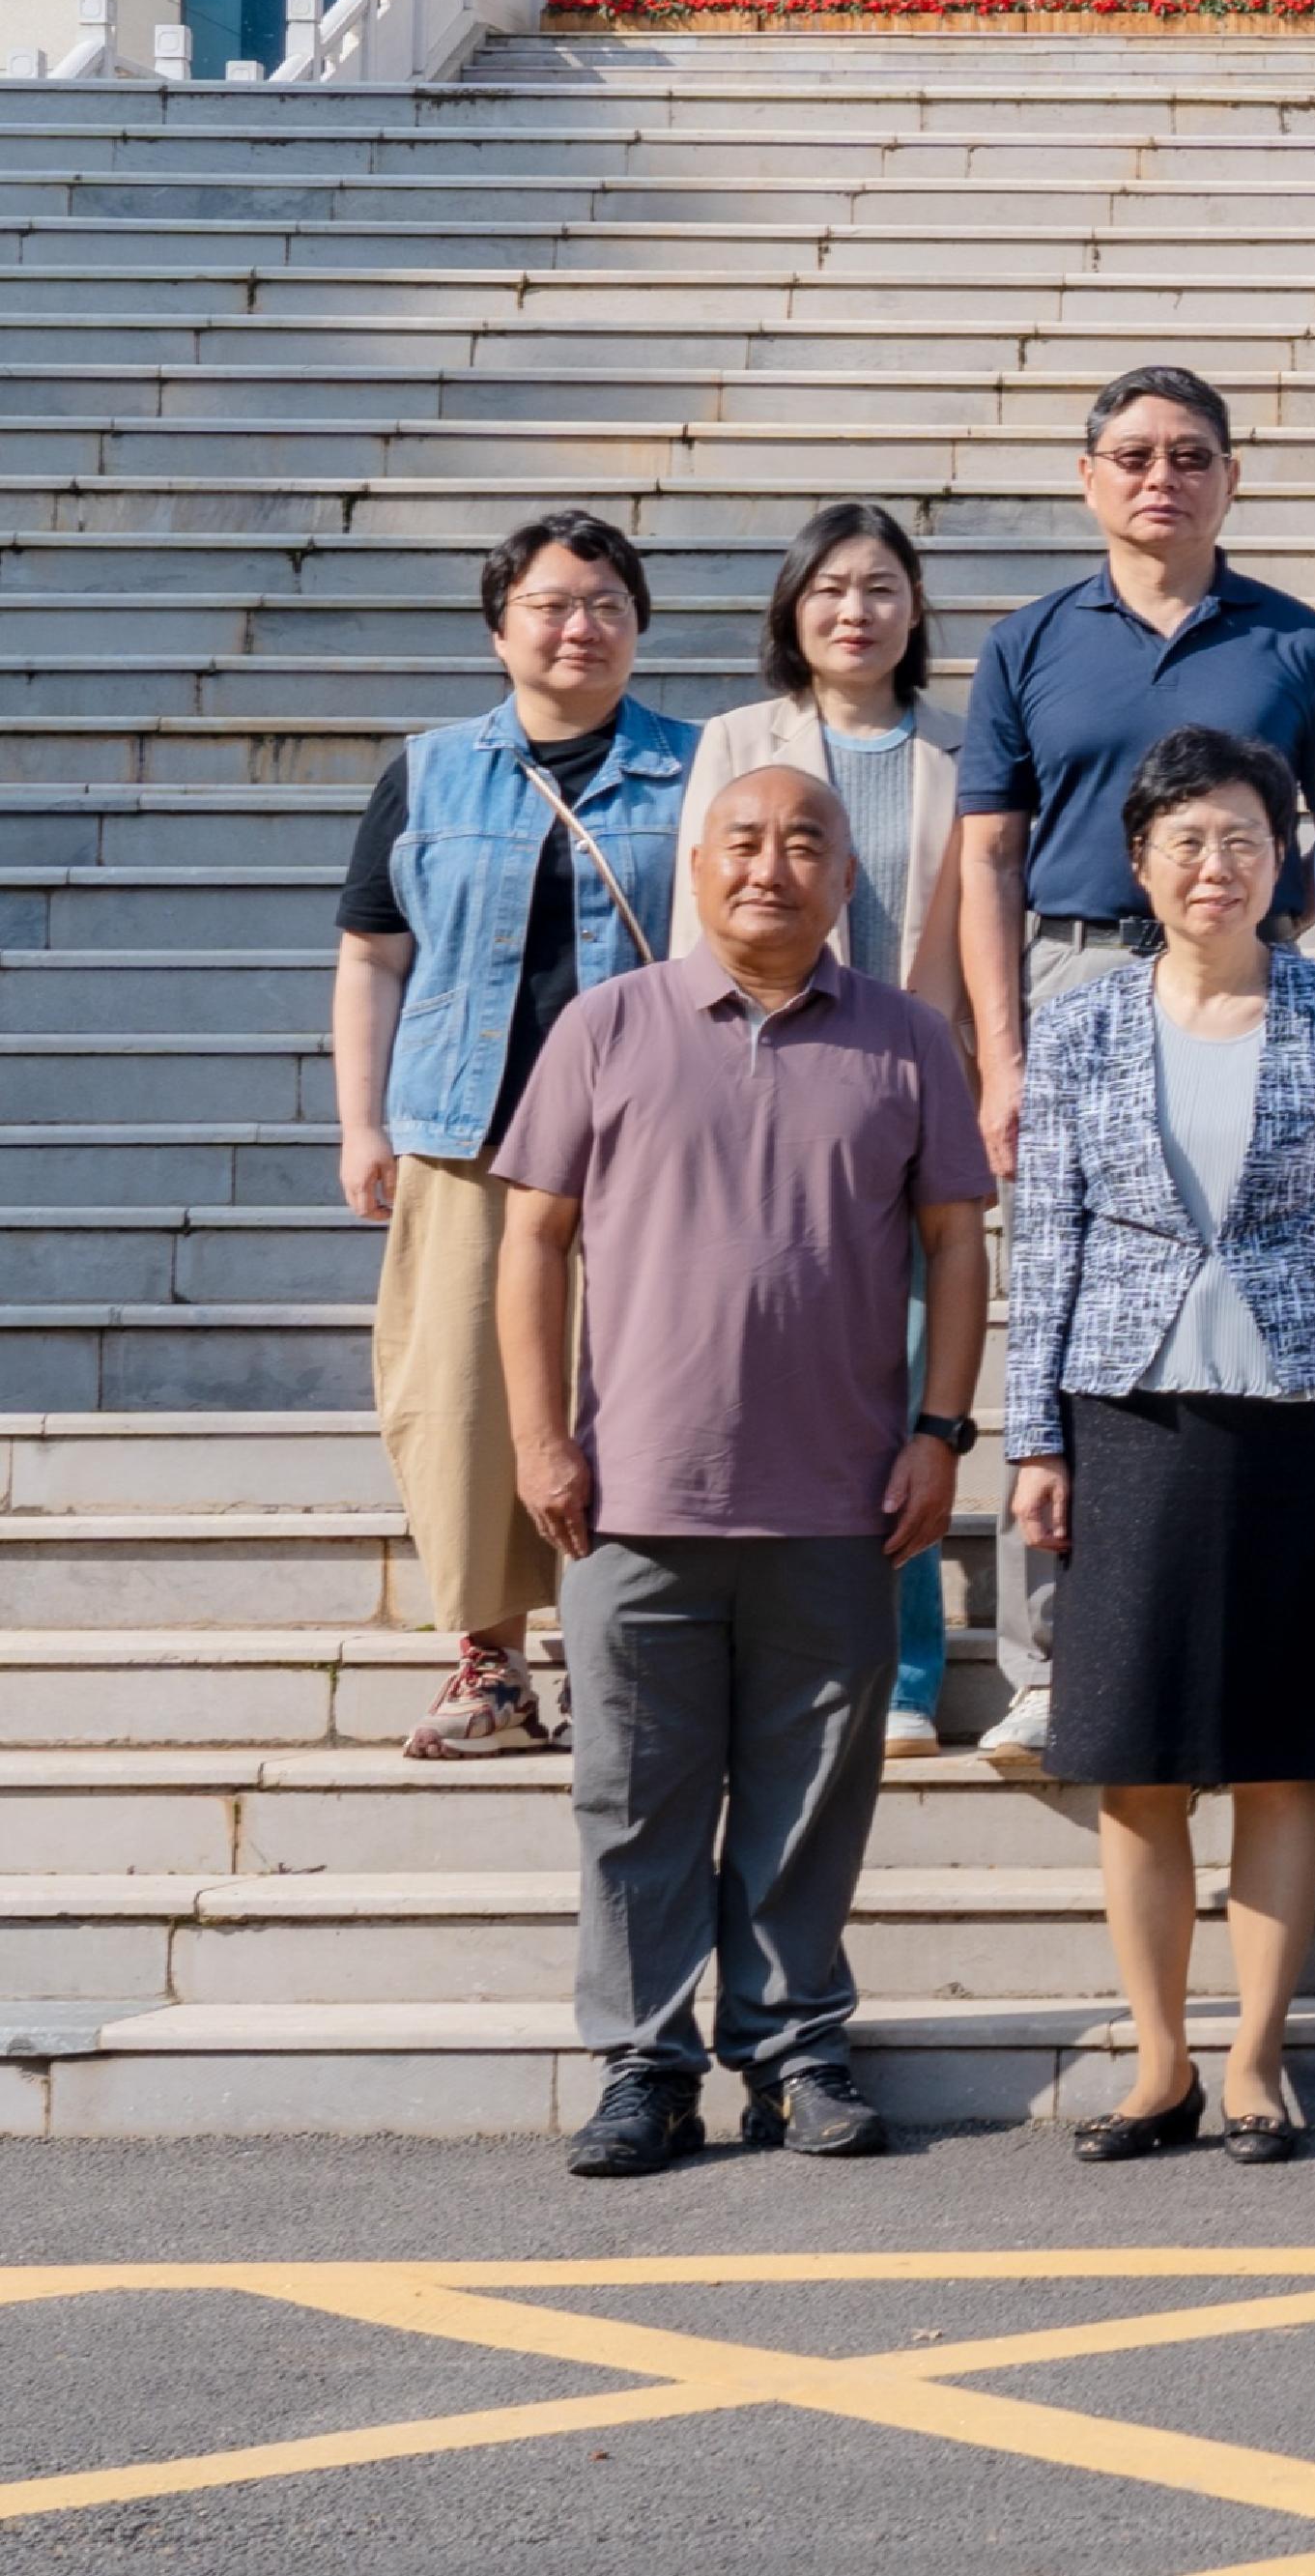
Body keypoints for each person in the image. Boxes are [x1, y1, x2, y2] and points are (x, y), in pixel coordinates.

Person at [493, 765, 992, 2175]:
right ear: (697, 865)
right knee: (633, 1801)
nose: (771, 866)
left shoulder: (907, 1037)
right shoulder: (608, 1024)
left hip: (839, 1500)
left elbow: (957, 1243)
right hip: (634, 1497)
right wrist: (539, 1436)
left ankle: (792, 2050)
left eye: (805, 843)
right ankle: (644, 2067)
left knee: (810, 1800)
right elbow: (532, 1241)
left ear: (848, 879)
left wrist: (941, 1432)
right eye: (745, 841)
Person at [1002, 730, 1315, 2168]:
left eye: (1243, 838)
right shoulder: (1080, 1024)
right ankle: (1158, 2060)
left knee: (1279, 1757)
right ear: (1139, 863)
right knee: (1131, 1758)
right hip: (1129, 1414)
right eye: (1186, 840)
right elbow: (1045, 1236)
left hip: (1295, 1415)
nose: (1215, 866)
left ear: (1281, 857)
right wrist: (1034, 1436)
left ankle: (1254, 2057)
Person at [954, 364, 1315, 1770]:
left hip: (1249, 978)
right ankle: (1044, 1660)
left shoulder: (1299, 643)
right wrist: (1000, 1051)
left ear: (1230, 479)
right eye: (1131, 455)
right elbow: (987, 855)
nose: (1160, 478)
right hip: (1077, 974)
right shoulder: (1027, 642)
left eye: (1190, 455)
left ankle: (1254, 1638)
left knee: (1247, 1276)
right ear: (1088, 479)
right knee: (1063, 1302)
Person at [333, 511, 694, 1763]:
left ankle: (610, 1650)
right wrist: (361, 1123)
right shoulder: (428, 771)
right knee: (464, 1398)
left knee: (634, 1389)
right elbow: (373, 957)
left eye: (605, 604)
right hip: (464, 1132)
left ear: (639, 627)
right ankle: (491, 1661)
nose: (579, 626)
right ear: (500, 630)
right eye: (550, 604)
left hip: (647, 1142)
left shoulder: (702, 766)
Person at [688, 507, 973, 1757]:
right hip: (771, 1076)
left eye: (881, 588)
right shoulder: (736, 743)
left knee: (903, 1371)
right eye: (830, 589)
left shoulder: (965, 749)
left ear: (915, 609)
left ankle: (903, 1671)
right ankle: (760, 1645)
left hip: (913, 1079)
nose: (855, 611)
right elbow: (703, 916)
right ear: (792, 610)